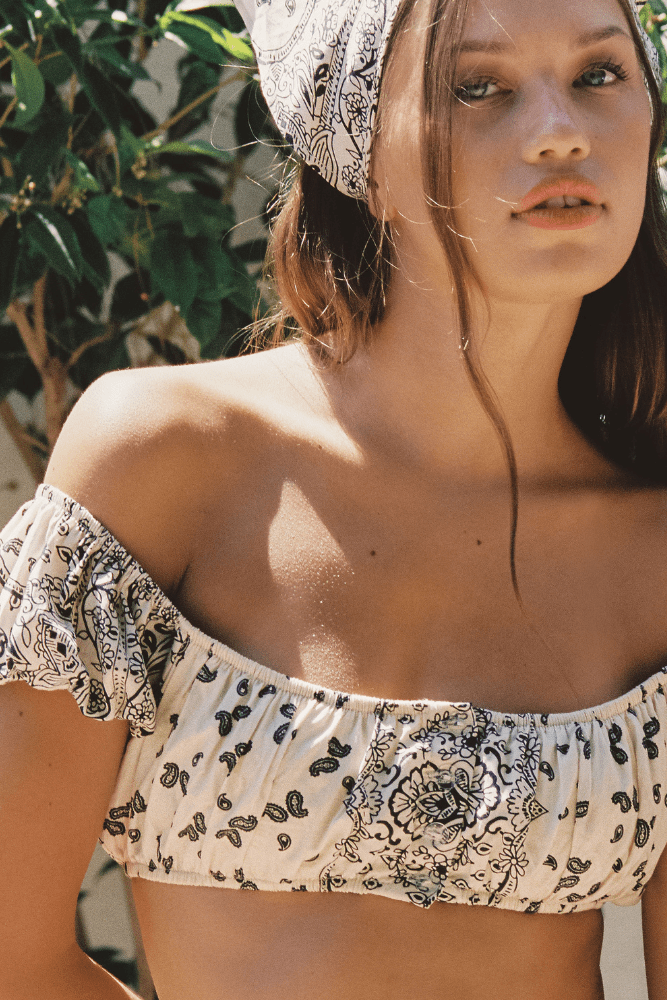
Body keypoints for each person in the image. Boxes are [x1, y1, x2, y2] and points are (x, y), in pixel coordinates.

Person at [1, 0, 666, 997]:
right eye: (474, 87)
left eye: (599, 75)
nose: (559, 128)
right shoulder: (164, 461)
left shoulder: (652, 547)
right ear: (358, 151)